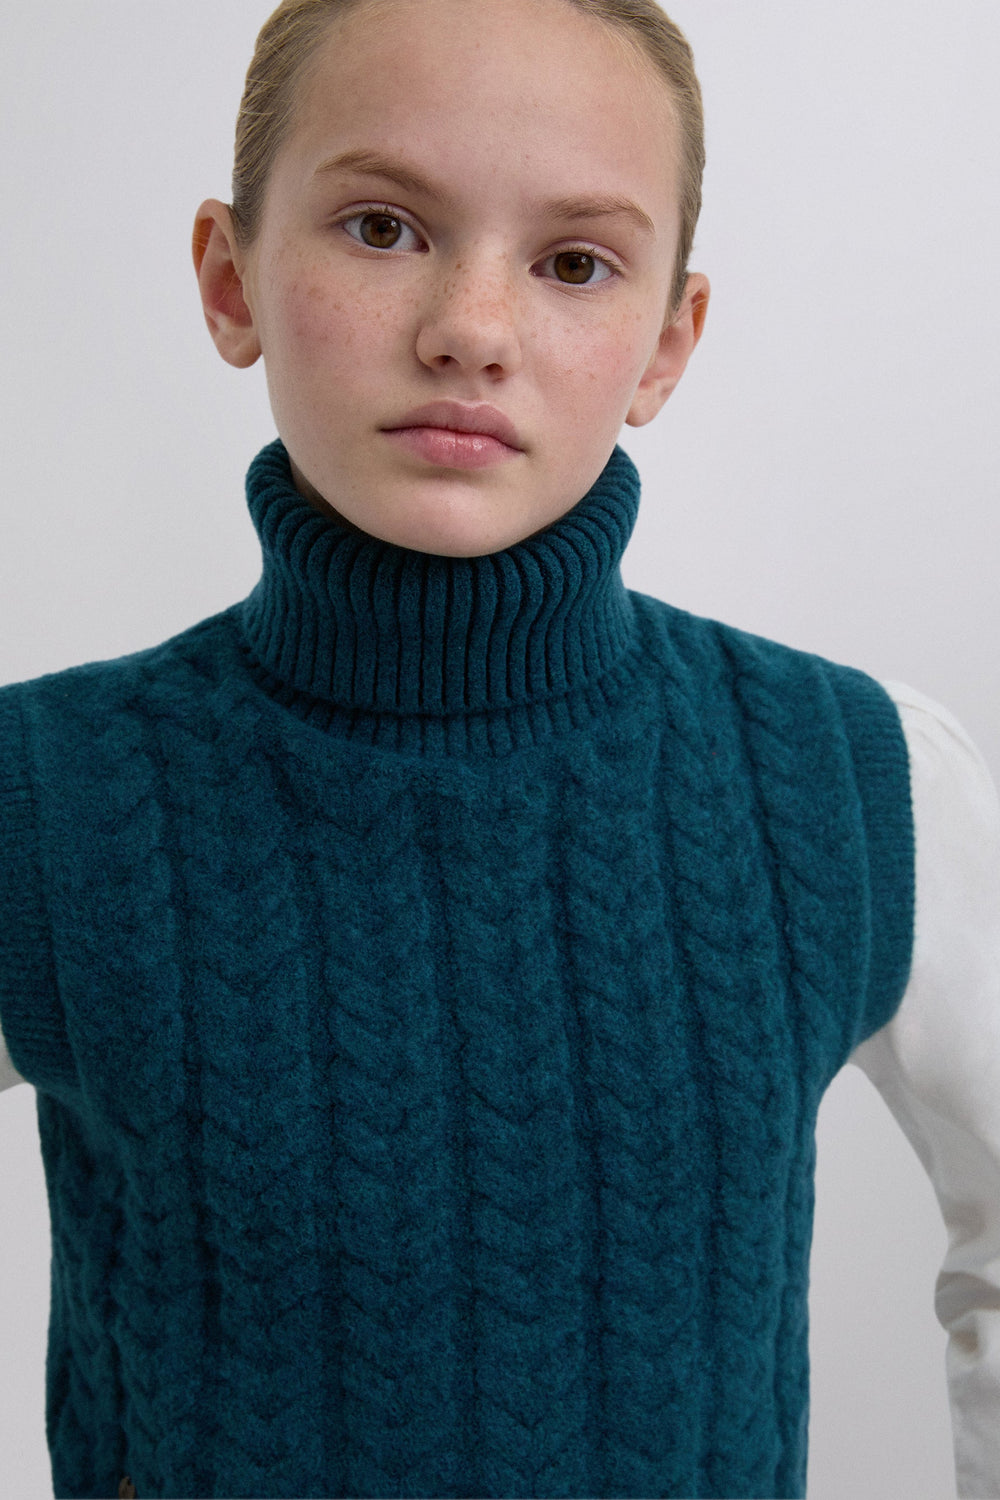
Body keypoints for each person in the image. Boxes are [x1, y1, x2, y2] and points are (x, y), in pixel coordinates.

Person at [0, 1, 997, 1497]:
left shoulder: (855, 783)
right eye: (383, 227)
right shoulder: (49, 798)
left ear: (666, 344)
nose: (470, 326)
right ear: (229, 278)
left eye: (574, 262)